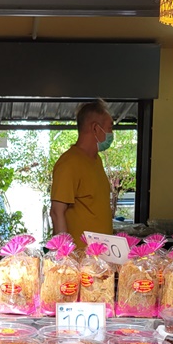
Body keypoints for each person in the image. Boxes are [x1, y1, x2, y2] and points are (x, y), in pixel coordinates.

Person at [50, 100, 115, 248]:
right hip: (81, 261)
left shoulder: (97, 160)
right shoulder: (68, 163)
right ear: (95, 128)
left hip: (101, 260)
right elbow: (56, 212)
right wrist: (66, 258)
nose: (111, 134)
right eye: (109, 128)